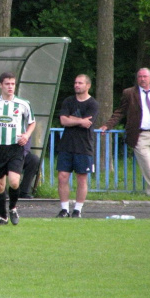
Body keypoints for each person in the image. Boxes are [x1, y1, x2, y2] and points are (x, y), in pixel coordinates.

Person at [100, 68, 150, 197]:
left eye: (145, 76)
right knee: (148, 165)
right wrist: (108, 125)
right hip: (139, 134)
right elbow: (120, 111)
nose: (142, 79)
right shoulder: (129, 93)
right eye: (139, 77)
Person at [0, 72, 36, 225]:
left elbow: (32, 122)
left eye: (12, 84)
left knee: (14, 182)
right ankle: (3, 217)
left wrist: (27, 135)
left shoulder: (23, 103)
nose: (10, 87)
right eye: (7, 84)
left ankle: (12, 208)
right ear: (0, 85)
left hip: (15, 147)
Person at [56, 75, 99, 218]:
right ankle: (64, 209)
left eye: (80, 83)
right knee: (62, 177)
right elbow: (63, 120)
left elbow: (88, 123)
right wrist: (79, 121)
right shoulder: (68, 101)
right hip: (66, 145)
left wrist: (72, 119)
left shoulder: (93, 104)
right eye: (75, 82)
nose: (76, 85)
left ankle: (77, 210)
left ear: (88, 85)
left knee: (82, 178)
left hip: (83, 146)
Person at [0, 124, 40, 199]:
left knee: (34, 159)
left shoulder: (21, 124)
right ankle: (3, 191)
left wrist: (19, 155)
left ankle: (23, 191)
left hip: (19, 154)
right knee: (1, 158)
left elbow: (26, 145)